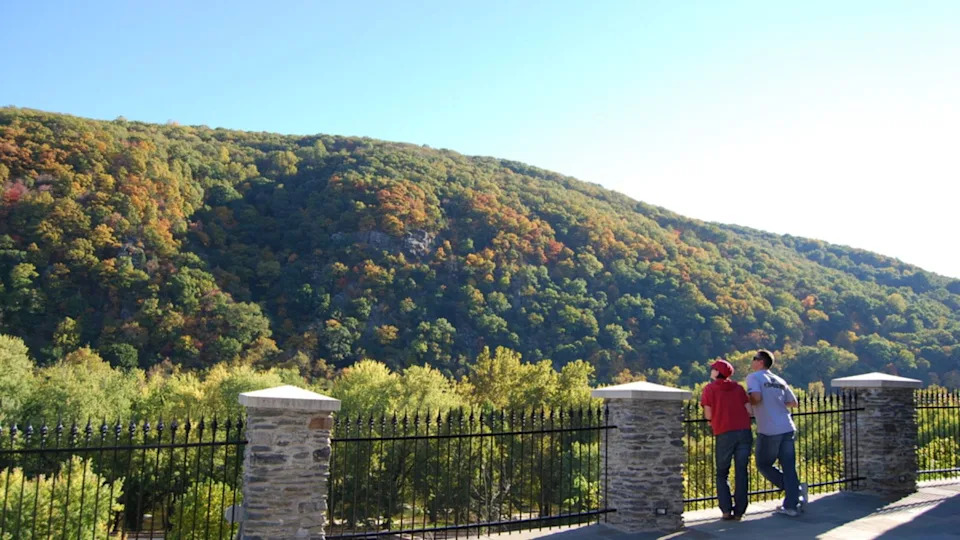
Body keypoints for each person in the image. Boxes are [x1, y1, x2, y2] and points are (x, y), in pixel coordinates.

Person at [747, 349, 807, 517]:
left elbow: (756, 398)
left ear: (760, 362)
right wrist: (775, 402)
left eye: (754, 359)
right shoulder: (779, 380)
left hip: (769, 429)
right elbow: (793, 402)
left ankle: (794, 490)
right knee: (789, 466)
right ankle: (791, 504)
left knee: (763, 464)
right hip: (787, 426)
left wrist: (746, 402)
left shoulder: (754, 377)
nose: (752, 361)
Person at [701, 358, 753, 521]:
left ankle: (725, 509)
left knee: (722, 472)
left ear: (718, 372)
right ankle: (739, 511)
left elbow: (708, 414)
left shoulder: (710, 389)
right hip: (744, 431)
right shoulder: (738, 388)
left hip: (724, 432)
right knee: (741, 471)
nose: (711, 371)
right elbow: (749, 410)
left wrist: (713, 420)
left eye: (713, 368)